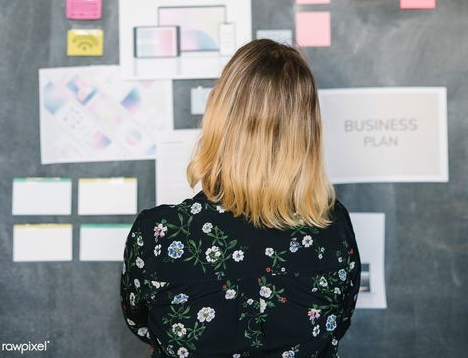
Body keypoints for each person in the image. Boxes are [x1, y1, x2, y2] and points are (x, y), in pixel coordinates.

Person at [120, 38, 361, 357]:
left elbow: (141, 324)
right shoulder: (332, 228)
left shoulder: (157, 235)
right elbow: (339, 322)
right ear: (306, 131)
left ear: (219, 116)